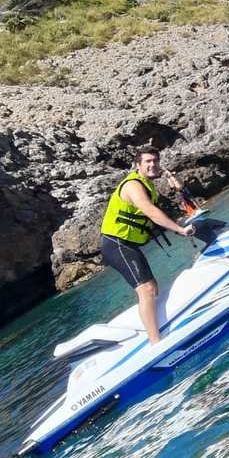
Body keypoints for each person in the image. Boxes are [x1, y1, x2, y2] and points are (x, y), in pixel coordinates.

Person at [98, 146, 196, 344]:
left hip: (126, 244)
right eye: (148, 161)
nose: (153, 164)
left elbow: (178, 198)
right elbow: (150, 211)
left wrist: (171, 178)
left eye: (155, 161)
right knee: (146, 289)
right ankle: (156, 342)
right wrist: (179, 230)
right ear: (138, 165)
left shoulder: (147, 184)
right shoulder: (133, 185)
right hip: (116, 243)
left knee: (153, 288)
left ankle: (157, 327)